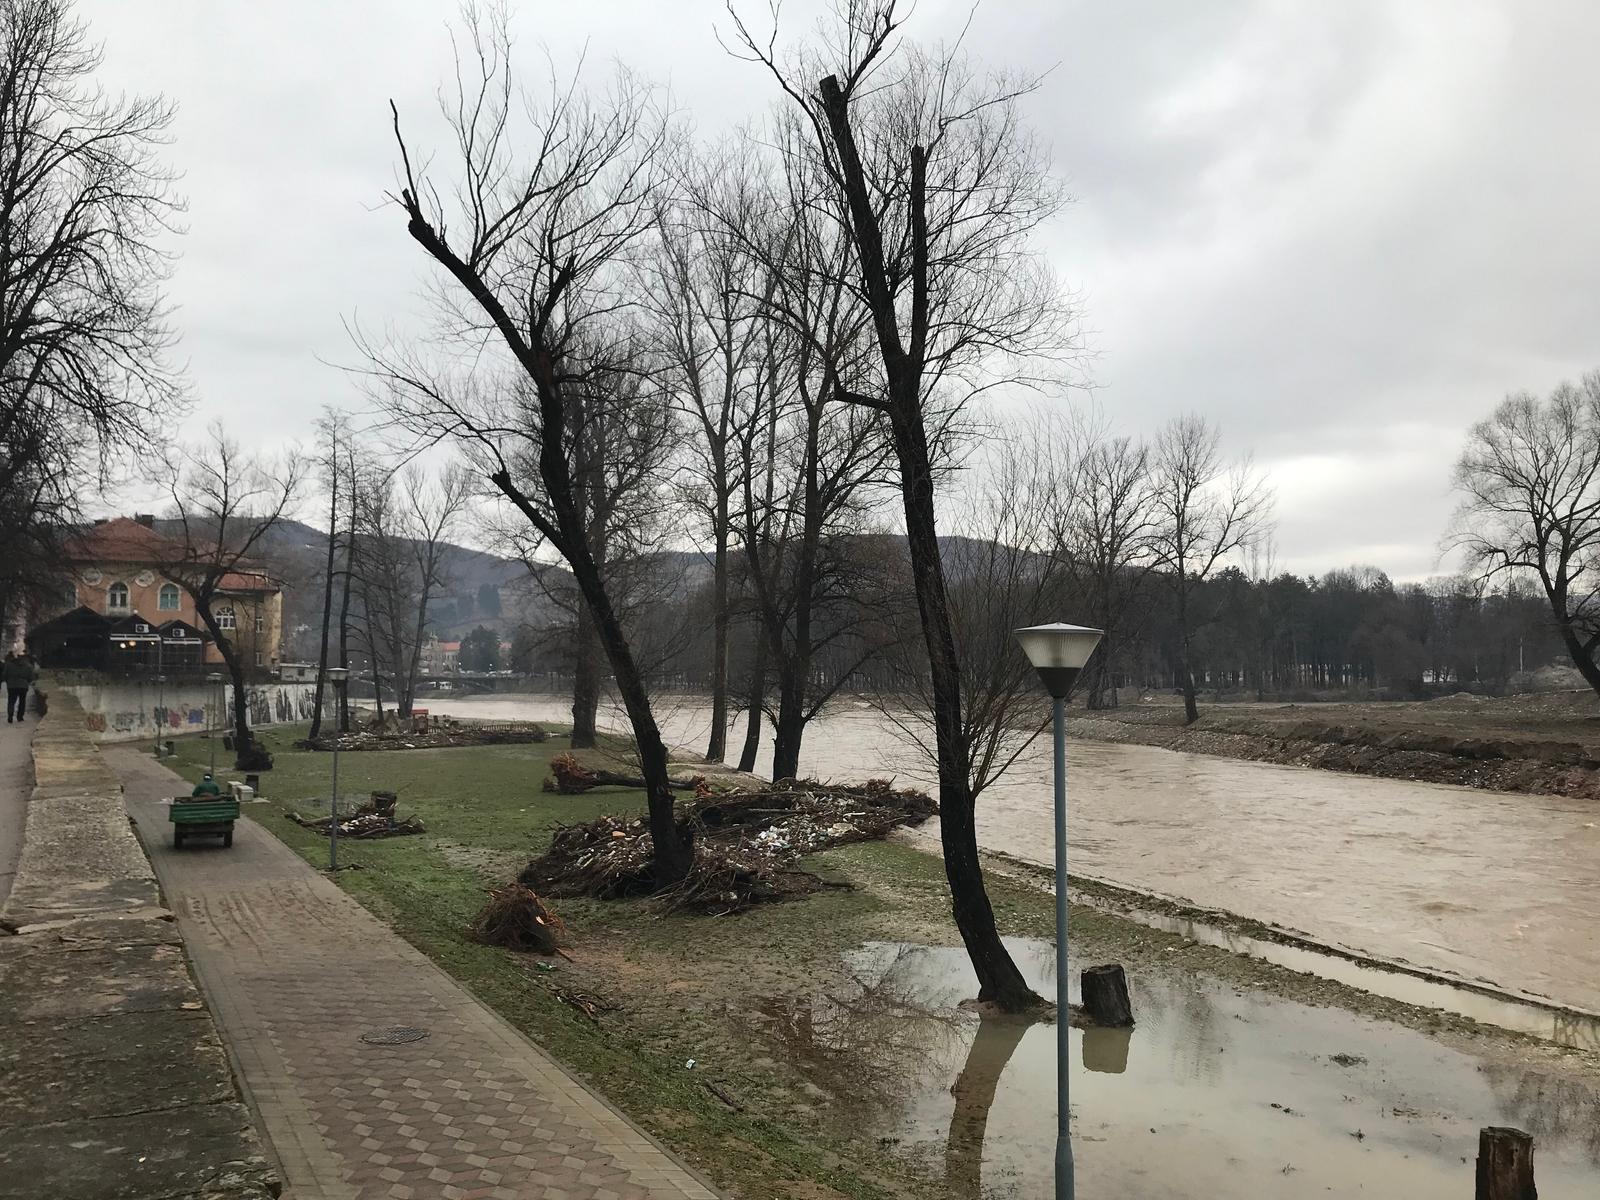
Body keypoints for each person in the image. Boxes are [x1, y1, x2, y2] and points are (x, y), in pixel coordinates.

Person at [4, 651, 36, 724]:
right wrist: (27, 681)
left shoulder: (9, 665)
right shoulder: (28, 666)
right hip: (23, 685)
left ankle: (10, 715)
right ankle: (20, 716)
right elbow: (31, 677)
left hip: (11, 685)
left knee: (11, 700)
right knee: (22, 701)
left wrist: (8, 681)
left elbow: (4, 674)